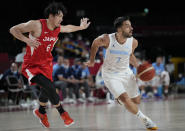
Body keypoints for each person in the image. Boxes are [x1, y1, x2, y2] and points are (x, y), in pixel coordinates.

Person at [10, 2, 90, 128]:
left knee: (46, 90)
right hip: (32, 65)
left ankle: (41, 112)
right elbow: (13, 29)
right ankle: (63, 113)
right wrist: (27, 40)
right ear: (51, 16)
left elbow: (68, 27)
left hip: (46, 64)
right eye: (59, 16)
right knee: (50, 87)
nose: (61, 19)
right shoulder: (36, 25)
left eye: (62, 17)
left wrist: (80, 28)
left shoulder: (57, 28)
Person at [85, 16, 157, 130]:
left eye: (131, 25)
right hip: (110, 74)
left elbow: (129, 54)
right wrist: (92, 61)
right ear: (119, 29)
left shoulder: (134, 42)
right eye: (127, 26)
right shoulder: (106, 39)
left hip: (125, 72)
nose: (131, 28)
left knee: (136, 101)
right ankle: (145, 120)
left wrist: (139, 67)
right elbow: (94, 43)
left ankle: (118, 98)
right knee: (125, 99)